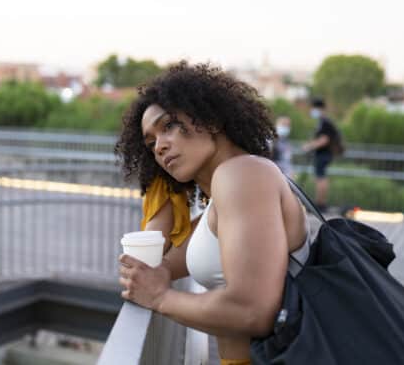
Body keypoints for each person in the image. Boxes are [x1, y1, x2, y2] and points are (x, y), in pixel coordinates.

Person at [116, 62, 311, 364]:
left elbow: (252, 311)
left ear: (212, 120)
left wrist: (160, 297)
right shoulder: (224, 193)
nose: (159, 148)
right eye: (151, 142)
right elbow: (182, 253)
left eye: (168, 126)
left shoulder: (242, 175)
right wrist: (161, 272)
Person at [301, 98, 341, 213]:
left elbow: (324, 140)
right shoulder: (323, 122)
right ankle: (320, 202)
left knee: (320, 177)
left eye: (313, 108)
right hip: (323, 154)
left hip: (324, 154)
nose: (312, 111)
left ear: (319, 109)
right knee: (320, 177)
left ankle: (320, 203)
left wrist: (309, 146)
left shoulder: (325, 122)